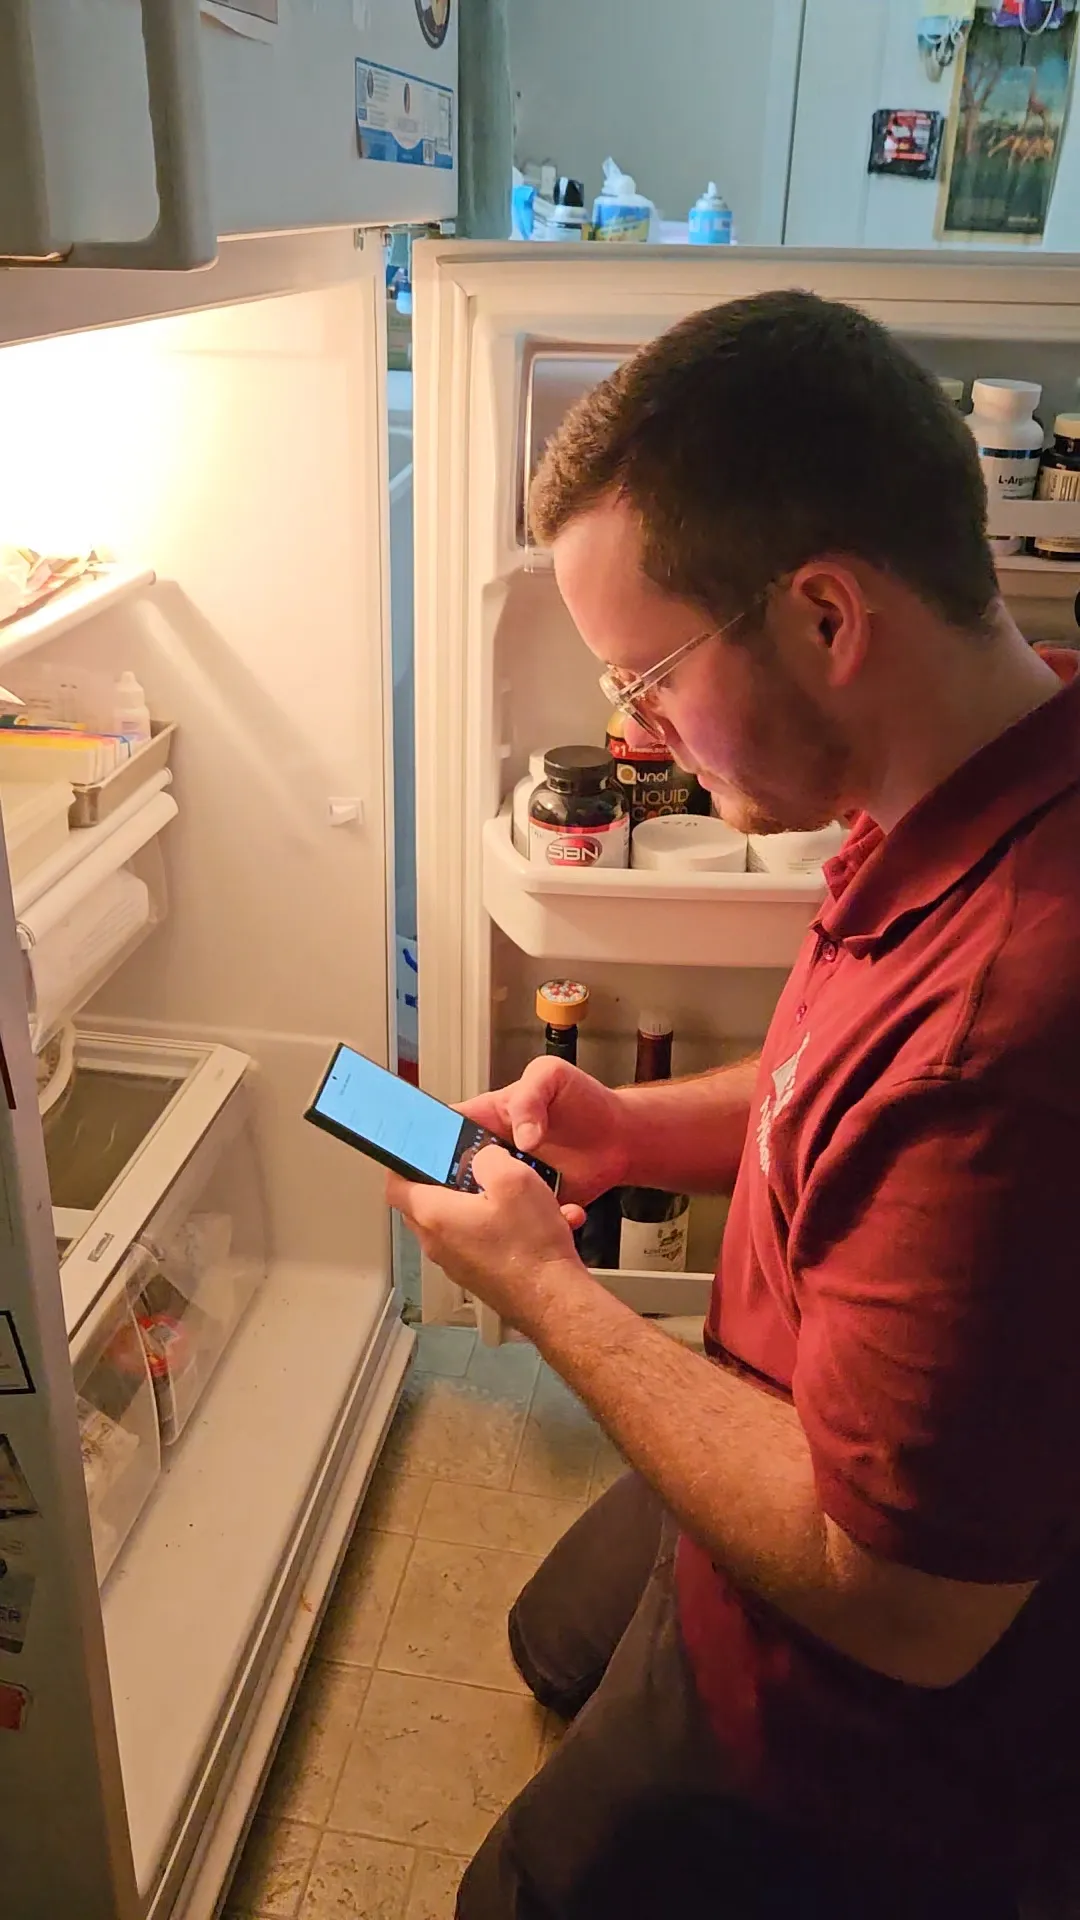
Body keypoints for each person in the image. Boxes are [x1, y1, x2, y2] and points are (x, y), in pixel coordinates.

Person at [387, 290, 1080, 1920]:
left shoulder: (1011, 1040)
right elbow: (837, 1076)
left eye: (647, 676)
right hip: (803, 1404)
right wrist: (630, 1136)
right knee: (558, 1637)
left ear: (827, 617)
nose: (633, 734)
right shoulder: (976, 765)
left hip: (884, 1717)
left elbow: (905, 1604)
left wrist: (549, 1294)